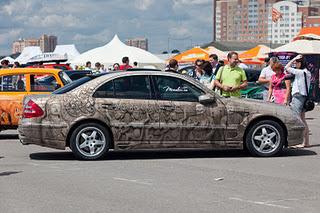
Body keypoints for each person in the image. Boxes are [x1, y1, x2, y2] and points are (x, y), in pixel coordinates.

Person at [285, 54, 311, 148]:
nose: (295, 64)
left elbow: (287, 67)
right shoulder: (307, 72)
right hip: (304, 97)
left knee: (296, 118)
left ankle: (298, 141)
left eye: (297, 62)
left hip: (298, 96)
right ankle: (306, 142)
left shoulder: (300, 72)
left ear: (301, 63)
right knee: (303, 119)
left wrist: (293, 59)